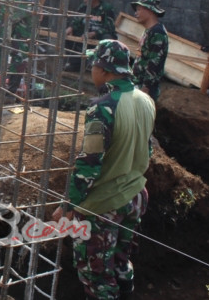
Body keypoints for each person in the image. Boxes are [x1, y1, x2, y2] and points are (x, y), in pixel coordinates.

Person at [52, 39, 155, 299]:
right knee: (121, 260)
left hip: (104, 206)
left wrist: (68, 205)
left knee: (96, 274)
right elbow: (148, 149)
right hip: (135, 196)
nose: (91, 70)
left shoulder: (103, 107)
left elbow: (89, 164)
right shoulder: (146, 101)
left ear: (104, 69)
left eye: (93, 65)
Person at [64, 0, 117, 71]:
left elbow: (109, 28)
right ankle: (75, 63)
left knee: (108, 39)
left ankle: (102, 67)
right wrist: (71, 27)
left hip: (99, 35)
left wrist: (94, 33)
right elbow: (77, 20)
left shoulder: (106, 8)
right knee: (69, 36)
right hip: (84, 34)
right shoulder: (83, 7)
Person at [130, 0, 168, 102]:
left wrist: (146, 86)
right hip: (138, 83)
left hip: (146, 88)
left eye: (139, 9)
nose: (136, 13)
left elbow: (154, 62)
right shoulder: (149, 30)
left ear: (150, 11)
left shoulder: (157, 33)